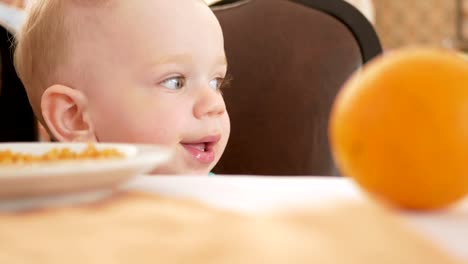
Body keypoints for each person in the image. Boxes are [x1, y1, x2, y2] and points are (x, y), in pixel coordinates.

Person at [14, 0, 231, 175]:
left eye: (216, 82)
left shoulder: (230, 198)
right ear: (75, 117)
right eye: (175, 82)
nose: (214, 104)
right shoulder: (60, 218)